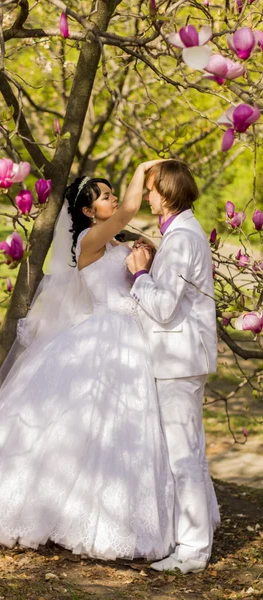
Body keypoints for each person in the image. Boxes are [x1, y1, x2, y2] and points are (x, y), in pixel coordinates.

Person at [0, 161, 176, 561]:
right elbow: (129, 209)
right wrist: (146, 168)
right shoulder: (91, 241)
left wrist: (144, 255)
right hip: (106, 336)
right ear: (90, 211)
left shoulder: (116, 244)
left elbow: (145, 260)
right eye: (106, 196)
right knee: (86, 428)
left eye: (112, 193)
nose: (114, 200)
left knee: (117, 431)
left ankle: (110, 516)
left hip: (130, 337)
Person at [127, 160, 220, 574]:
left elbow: (164, 308)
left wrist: (140, 275)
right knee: (191, 456)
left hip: (179, 360)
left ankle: (193, 550)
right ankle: (193, 543)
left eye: (150, 189)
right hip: (181, 358)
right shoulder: (181, 233)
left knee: (184, 458)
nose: (146, 196)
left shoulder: (182, 239)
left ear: (166, 194)